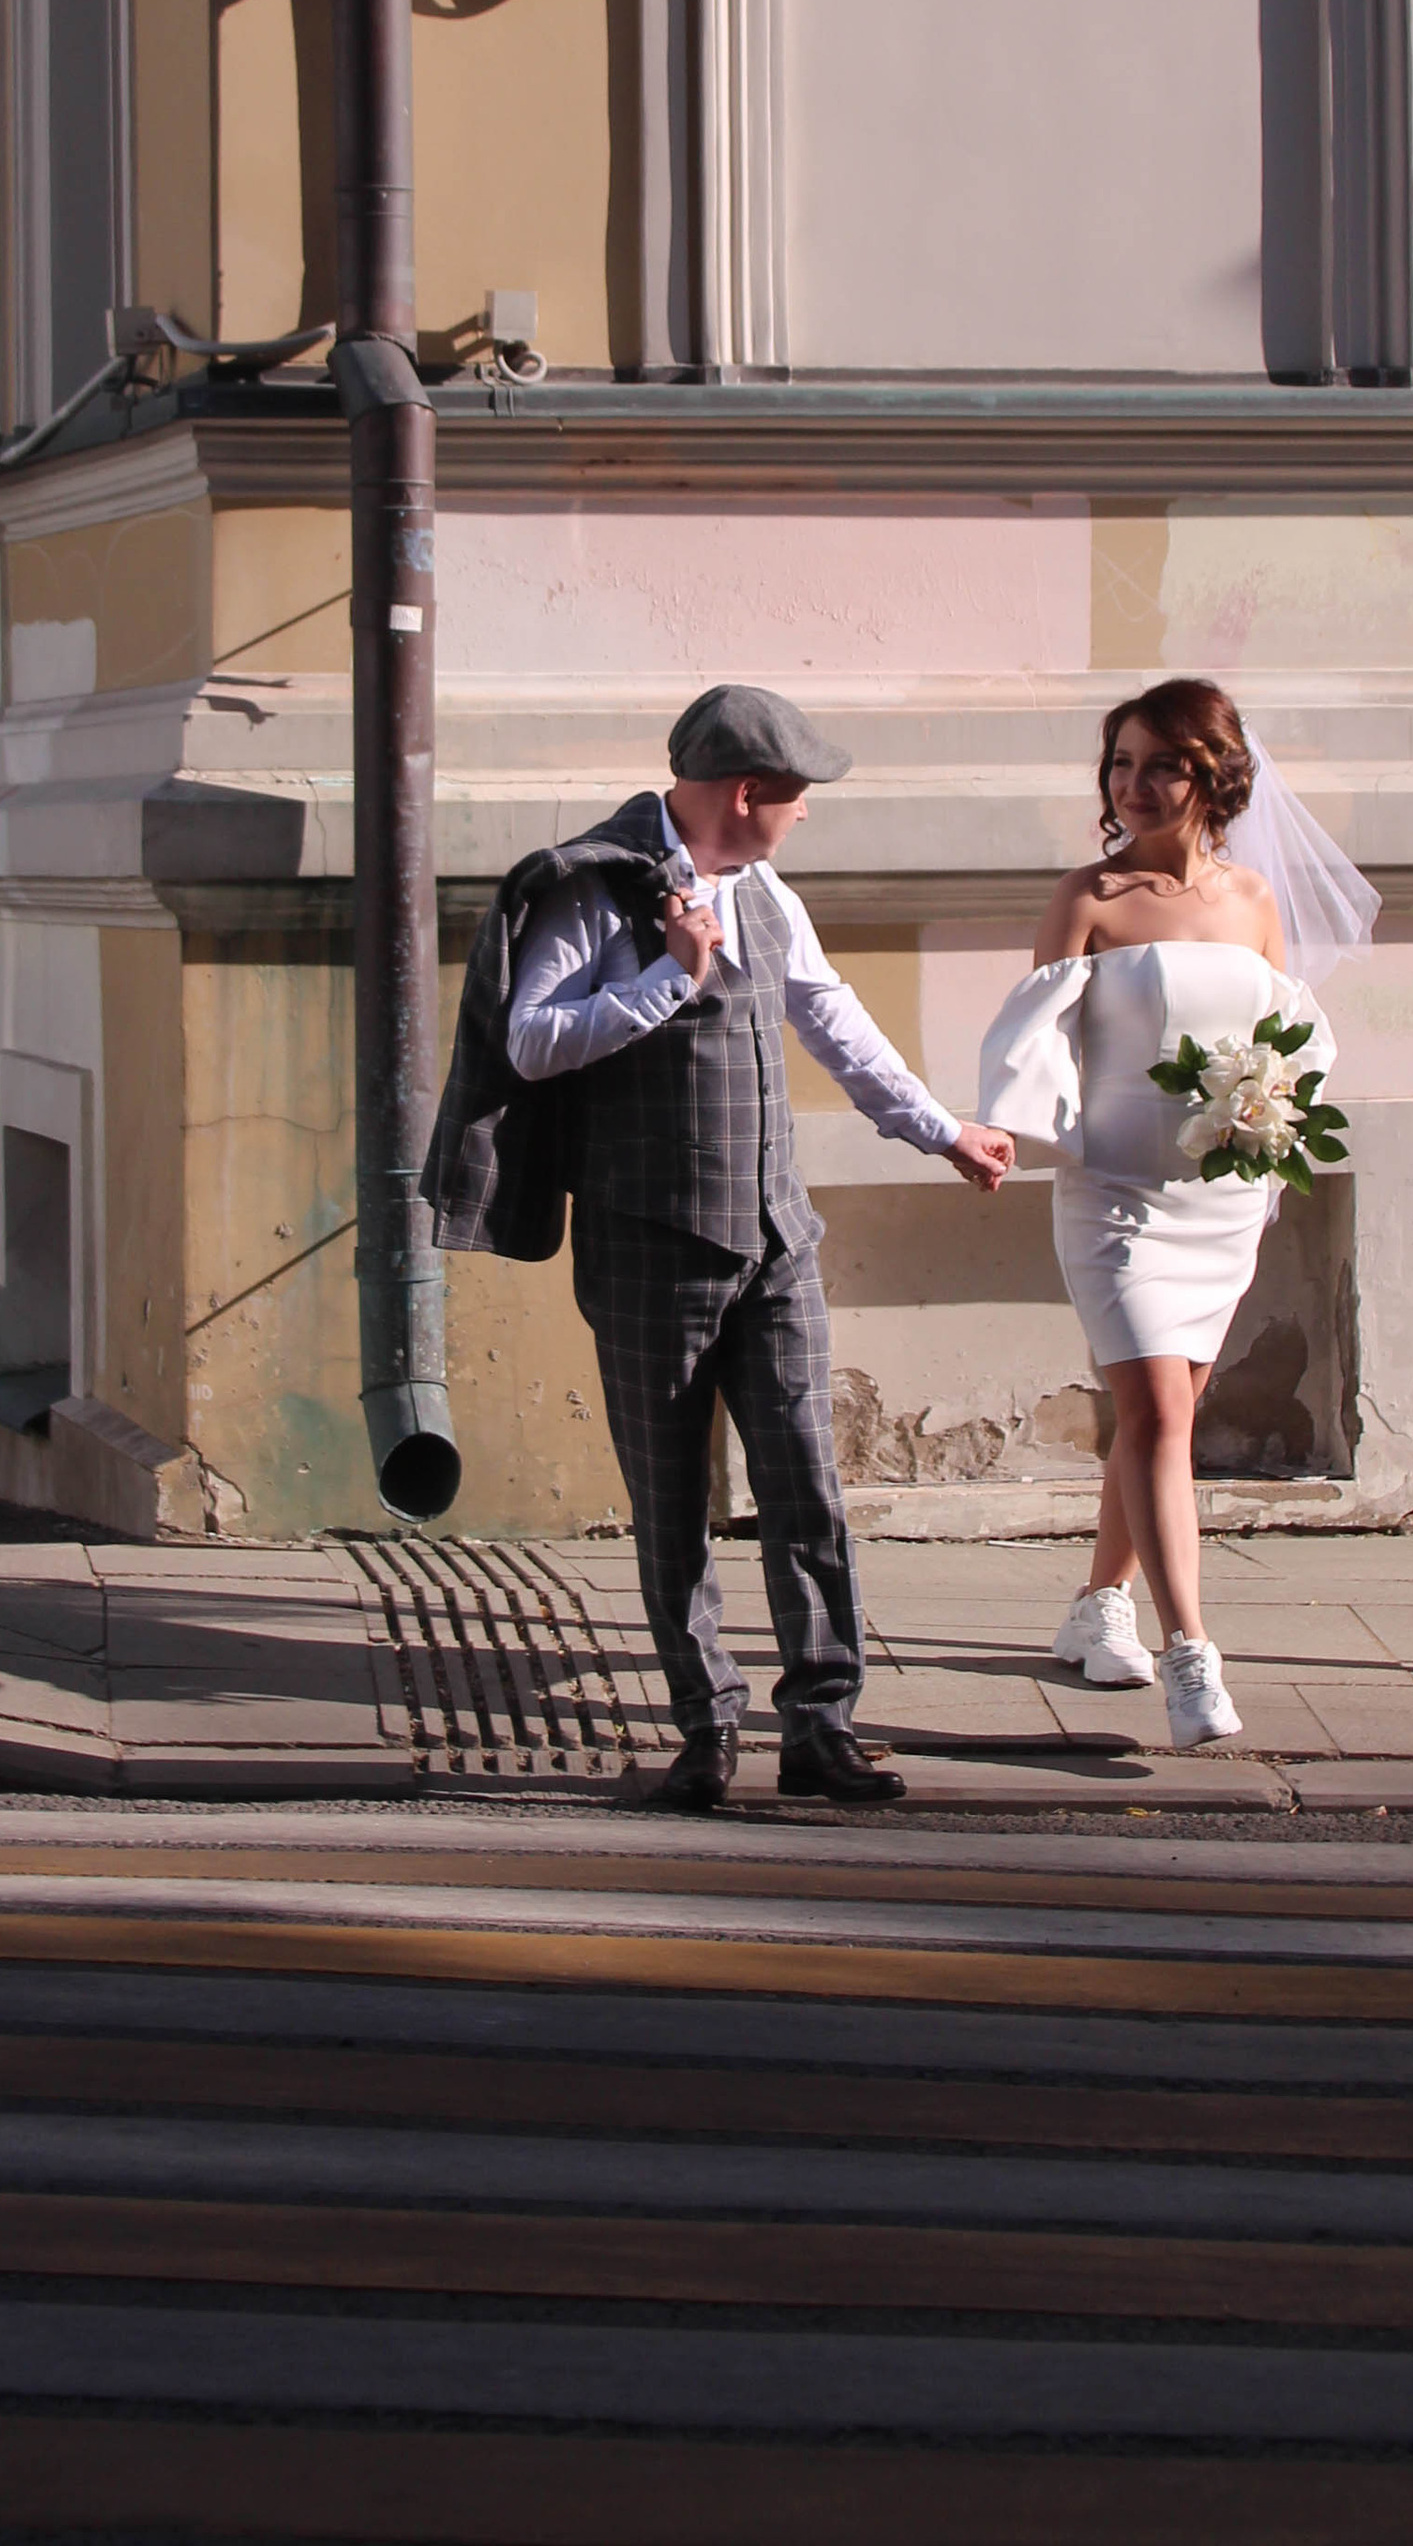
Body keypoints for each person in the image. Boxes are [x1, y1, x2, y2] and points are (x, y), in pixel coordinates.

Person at [423, 684, 1015, 1812]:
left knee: (806, 1485)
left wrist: (941, 1130)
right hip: (649, 1243)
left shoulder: (766, 894)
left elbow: (832, 1018)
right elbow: (530, 1040)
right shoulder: (595, 889)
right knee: (671, 1501)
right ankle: (705, 1729)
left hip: (775, 1239)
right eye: (796, 795)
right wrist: (670, 977)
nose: (805, 814)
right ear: (747, 793)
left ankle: (821, 1726)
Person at [976, 678, 1372, 1751]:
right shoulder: (1090, 898)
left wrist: (1269, 1114)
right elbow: (1035, 1042)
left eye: (1160, 765)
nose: (1133, 785)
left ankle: (1097, 1604)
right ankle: (1191, 1653)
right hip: (1115, 1193)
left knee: (1165, 1418)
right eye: (1120, 763)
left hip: (1219, 1195)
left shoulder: (1254, 903)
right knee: (1154, 1408)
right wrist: (1002, 1131)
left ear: (1214, 776)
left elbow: (1286, 1046)